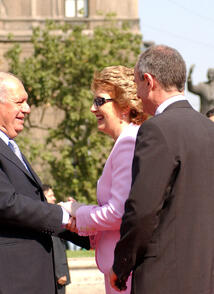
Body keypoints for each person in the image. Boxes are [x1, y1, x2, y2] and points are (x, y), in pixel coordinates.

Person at [0, 72, 89, 294]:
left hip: (28, 280)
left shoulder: (6, 147)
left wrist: (91, 230)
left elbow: (30, 207)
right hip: (6, 282)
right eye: (20, 102)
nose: (27, 109)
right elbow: (6, 204)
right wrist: (66, 215)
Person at [109, 45, 214, 294]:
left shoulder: (156, 129)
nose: (136, 93)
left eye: (136, 83)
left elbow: (142, 211)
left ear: (148, 81)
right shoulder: (209, 129)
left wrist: (121, 265)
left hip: (165, 277)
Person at [60, 65, 147, 294]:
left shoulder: (128, 143)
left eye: (100, 101)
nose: (92, 108)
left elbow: (118, 213)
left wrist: (77, 210)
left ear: (126, 106)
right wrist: (77, 222)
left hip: (125, 276)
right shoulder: (126, 141)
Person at [42, 184, 71, 294]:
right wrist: (61, 273)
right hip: (57, 276)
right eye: (50, 195)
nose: (54, 198)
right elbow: (56, 247)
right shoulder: (50, 219)